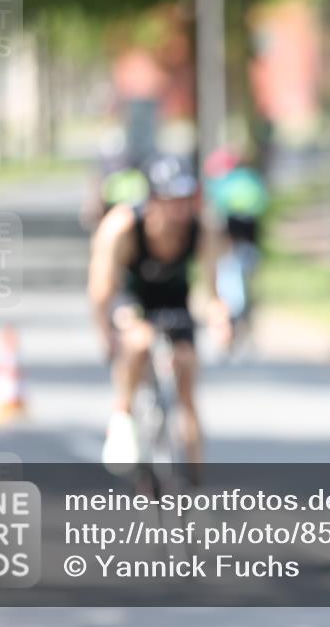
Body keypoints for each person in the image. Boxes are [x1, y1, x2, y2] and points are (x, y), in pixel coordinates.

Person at [88, 153, 231, 468]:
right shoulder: (122, 227)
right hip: (132, 297)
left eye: (185, 199)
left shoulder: (201, 229)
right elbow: (101, 289)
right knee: (138, 342)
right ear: (153, 199)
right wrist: (106, 334)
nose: (179, 209)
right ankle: (122, 417)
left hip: (174, 301)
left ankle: (193, 482)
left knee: (186, 373)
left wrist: (219, 317)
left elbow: (210, 290)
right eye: (171, 200)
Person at [202, 148, 269, 341]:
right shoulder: (252, 180)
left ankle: (234, 321)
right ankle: (242, 320)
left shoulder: (224, 184)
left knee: (231, 282)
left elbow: (217, 213)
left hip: (232, 245)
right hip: (248, 243)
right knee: (244, 282)